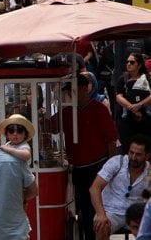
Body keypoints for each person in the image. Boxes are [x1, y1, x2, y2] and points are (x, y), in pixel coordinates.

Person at [62, 73, 118, 240]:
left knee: (96, 209)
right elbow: (49, 126)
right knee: (83, 210)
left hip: (97, 166)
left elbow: (111, 141)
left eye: (74, 89)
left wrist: (110, 168)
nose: (71, 94)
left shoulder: (99, 110)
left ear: (84, 89)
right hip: (78, 168)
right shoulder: (67, 112)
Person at [90, 135, 151, 239]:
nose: (133, 157)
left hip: (135, 213)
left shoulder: (149, 171)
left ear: (147, 156)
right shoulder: (116, 162)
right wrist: (100, 214)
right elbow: (94, 188)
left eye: (138, 154)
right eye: (131, 152)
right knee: (101, 226)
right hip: (110, 211)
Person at [115, 52, 151, 153]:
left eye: (132, 62)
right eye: (127, 62)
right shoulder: (123, 79)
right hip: (127, 120)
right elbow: (118, 96)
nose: (128, 64)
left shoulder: (147, 79)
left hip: (145, 120)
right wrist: (132, 107)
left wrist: (140, 105)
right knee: (127, 147)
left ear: (139, 65)